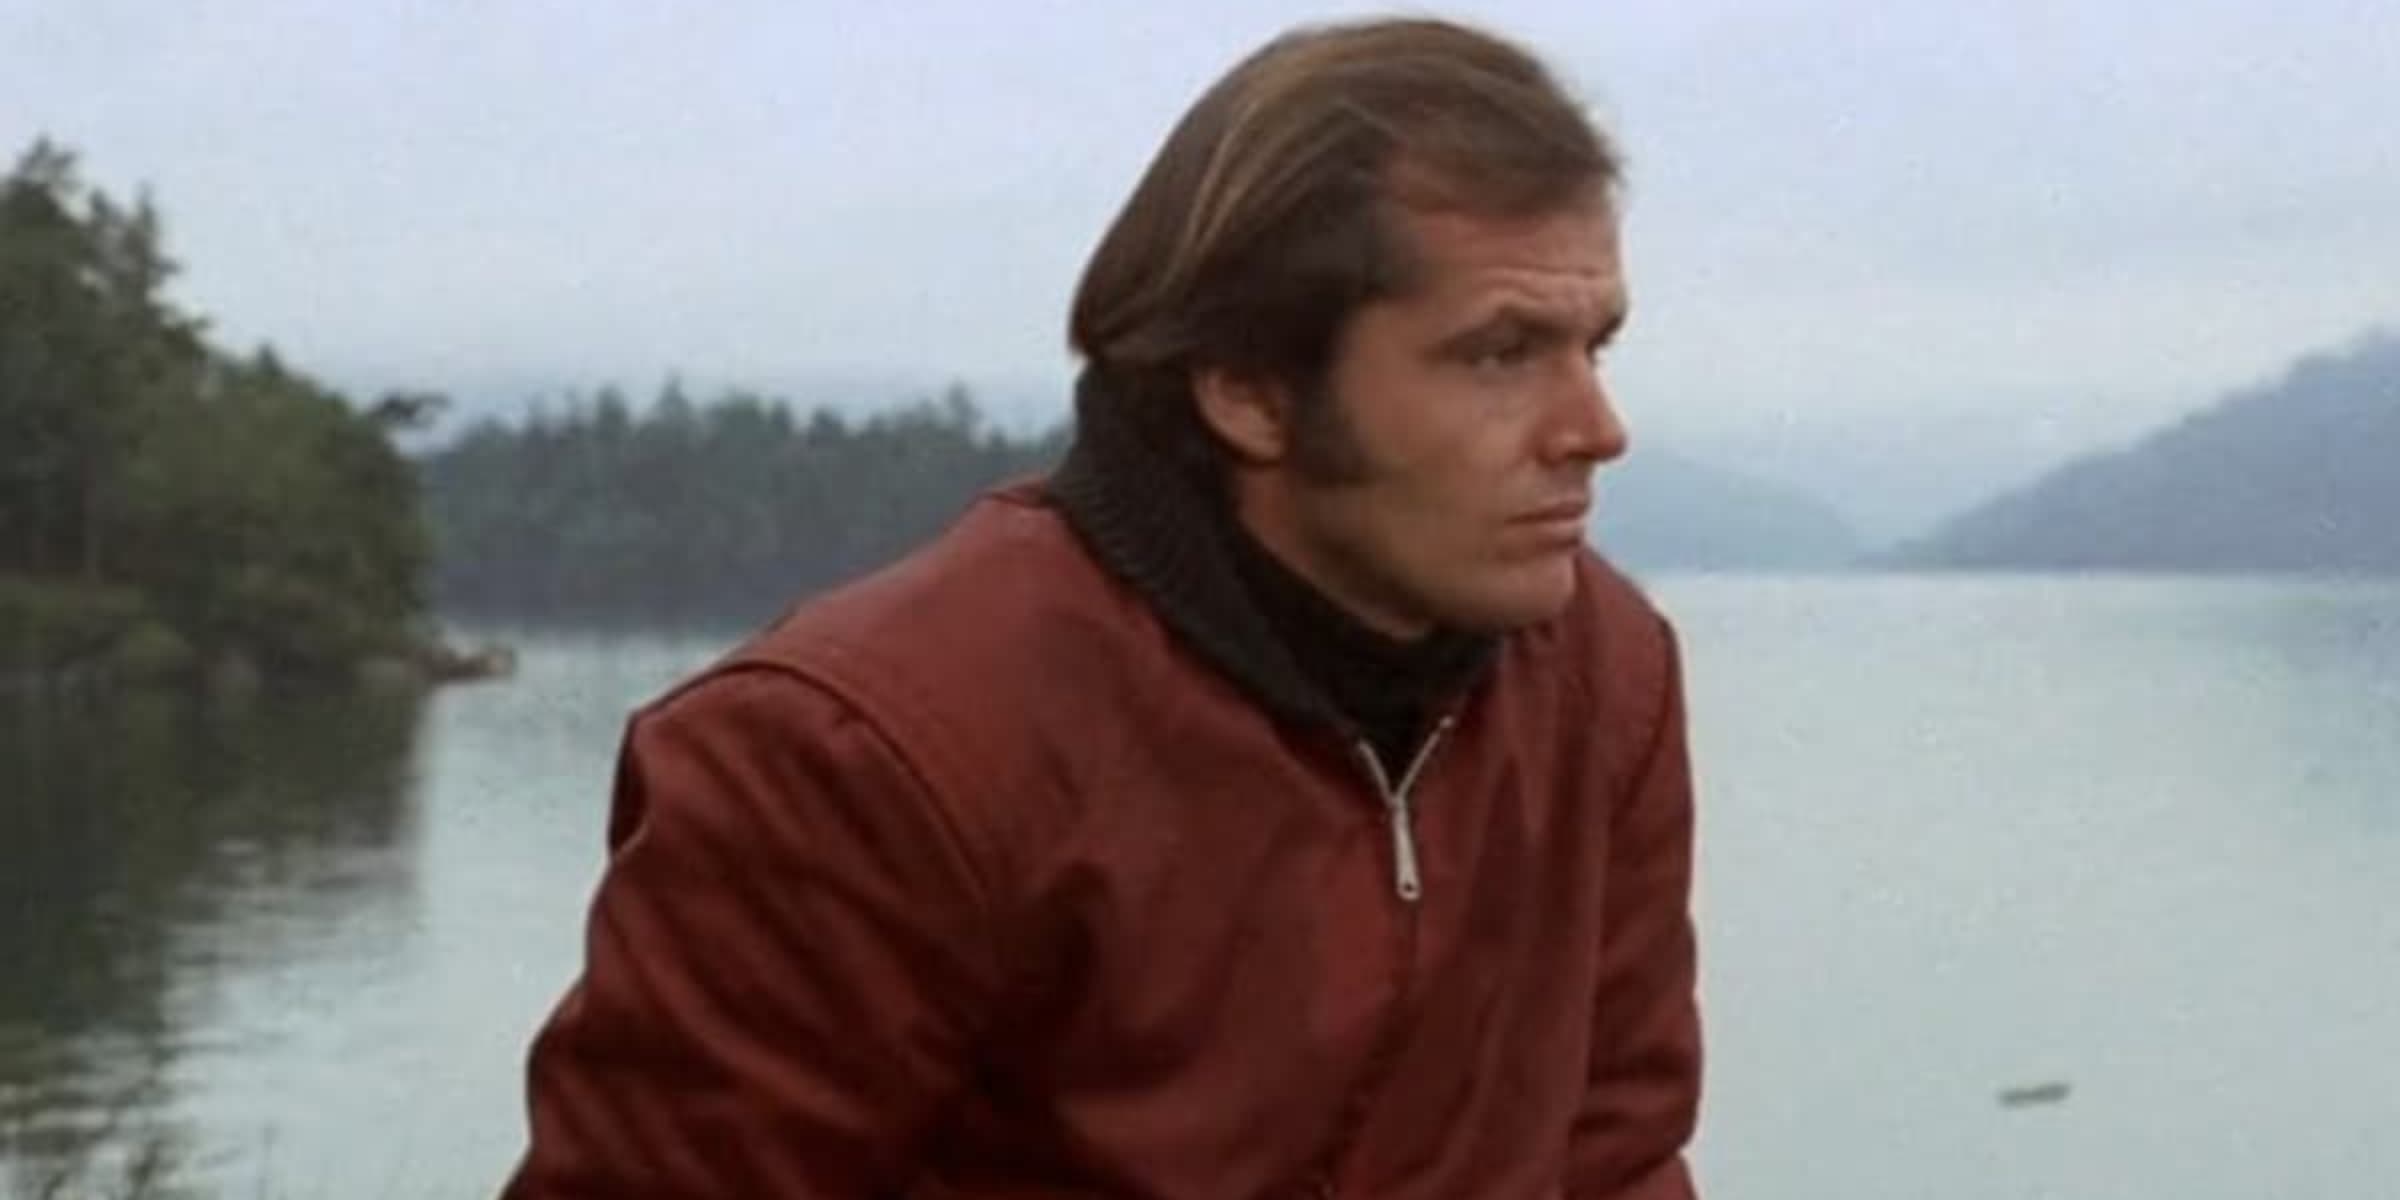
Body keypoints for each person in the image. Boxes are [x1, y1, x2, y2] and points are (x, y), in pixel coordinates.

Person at [503, 15, 1702, 1199]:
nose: (1595, 429)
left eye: (1594, 347)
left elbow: (1618, 1162)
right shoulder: (862, 757)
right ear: (1248, 389)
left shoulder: (1601, 676)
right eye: (1501, 354)